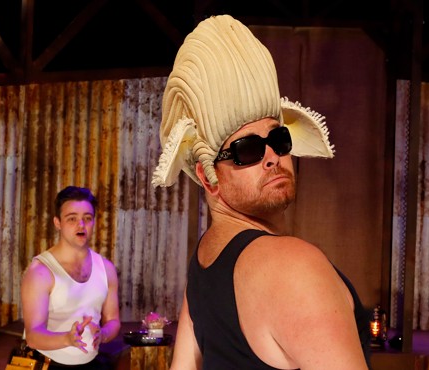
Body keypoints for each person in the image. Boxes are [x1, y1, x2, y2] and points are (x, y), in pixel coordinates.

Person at [151, 15, 371, 370]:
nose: (272, 157)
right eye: (248, 150)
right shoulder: (294, 267)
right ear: (208, 178)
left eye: (278, 139)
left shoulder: (205, 260)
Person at [21, 186, 121, 369]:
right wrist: (67, 339)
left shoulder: (106, 268)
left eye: (87, 218)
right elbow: (33, 336)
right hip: (48, 363)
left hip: (91, 362)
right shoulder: (41, 271)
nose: (81, 225)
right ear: (57, 223)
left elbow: (113, 320)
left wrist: (104, 334)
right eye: (72, 218)